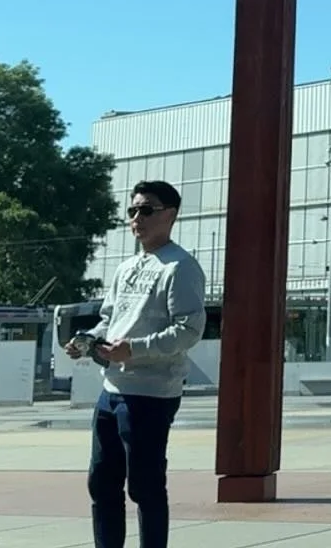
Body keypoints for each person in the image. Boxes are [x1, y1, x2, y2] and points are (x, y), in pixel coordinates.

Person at [65, 180, 206, 548]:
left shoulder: (181, 267)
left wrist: (135, 349)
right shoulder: (126, 267)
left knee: (144, 486)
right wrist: (87, 340)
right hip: (111, 391)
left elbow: (189, 330)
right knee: (101, 482)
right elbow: (109, 318)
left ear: (170, 215)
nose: (136, 219)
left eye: (147, 210)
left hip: (151, 394)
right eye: (132, 211)